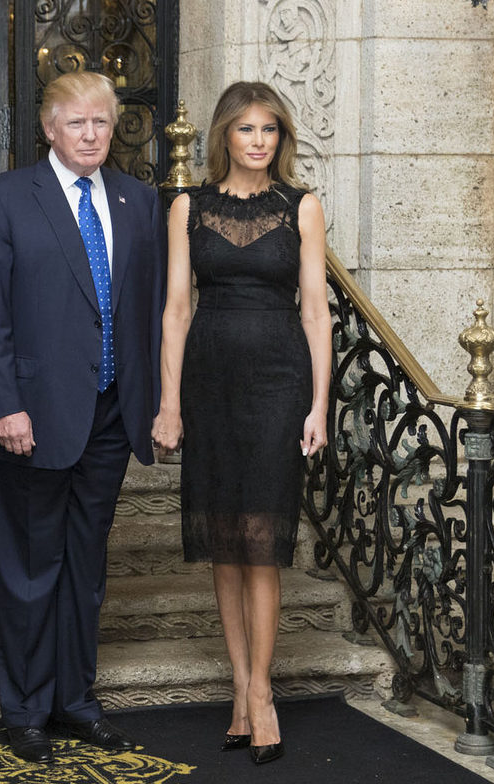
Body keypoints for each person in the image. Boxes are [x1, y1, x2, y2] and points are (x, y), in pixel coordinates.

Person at [0, 70, 166, 764]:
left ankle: (76, 701)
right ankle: (24, 711)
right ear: (48, 128)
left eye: (101, 123)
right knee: (28, 571)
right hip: (32, 417)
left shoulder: (138, 201)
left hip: (111, 413)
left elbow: (152, 309)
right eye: (75, 122)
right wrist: (3, 405)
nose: (89, 134)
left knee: (86, 568)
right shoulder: (7, 197)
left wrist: (159, 403)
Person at [150, 81, 331, 766]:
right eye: (247, 130)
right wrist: (169, 403)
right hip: (210, 379)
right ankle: (239, 686)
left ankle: (261, 693)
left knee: (261, 541)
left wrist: (319, 405)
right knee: (223, 543)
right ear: (224, 134)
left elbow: (317, 313)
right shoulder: (187, 208)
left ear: (281, 139)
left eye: (271, 131)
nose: (258, 142)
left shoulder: (301, 207)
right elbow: (175, 308)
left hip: (280, 380)